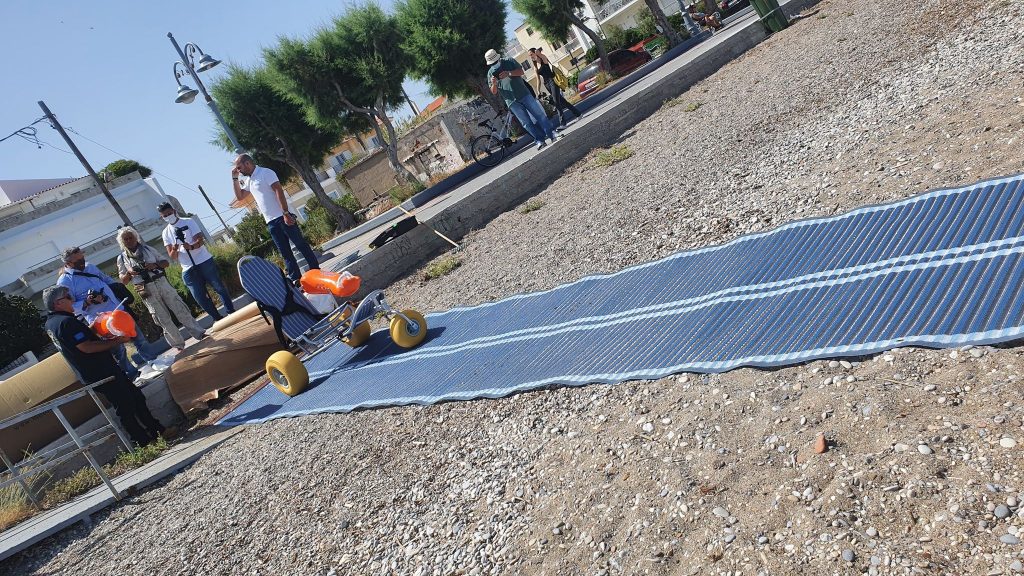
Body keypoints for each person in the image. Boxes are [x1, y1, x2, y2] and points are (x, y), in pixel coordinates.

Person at [42, 285, 167, 447]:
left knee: (134, 398)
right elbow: (86, 347)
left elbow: (76, 341)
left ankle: (156, 432)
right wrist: (117, 341)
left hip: (95, 372)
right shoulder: (66, 322)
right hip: (101, 371)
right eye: (68, 297)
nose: (72, 300)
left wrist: (94, 327)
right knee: (126, 405)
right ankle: (142, 441)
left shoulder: (52, 323)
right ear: (58, 303)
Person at [56, 246, 158, 381]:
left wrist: (115, 289)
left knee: (138, 337)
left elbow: (106, 280)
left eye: (82, 258)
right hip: (101, 321)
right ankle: (132, 375)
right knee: (118, 350)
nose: (82, 262)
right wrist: (87, 302)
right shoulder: (65, 282)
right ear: (68, 263)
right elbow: (69, 306)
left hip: (118, 310)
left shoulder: (90, 267)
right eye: (78, 261)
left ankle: (153, 362)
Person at [231, 154, 320, 284]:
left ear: (247, 163)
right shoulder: (250, 180)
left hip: (283, 216)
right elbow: (240, 197)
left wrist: (285, 213)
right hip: (271, 222)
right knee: (285, 252)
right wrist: (234, 178)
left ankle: (316, 271)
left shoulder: (265, 172)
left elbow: (278, 190)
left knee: (300, 244)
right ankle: (296, 279)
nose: (238, 171)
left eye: (239, 167)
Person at [117, 226, 207, 352]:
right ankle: (178, 345)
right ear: (122, 242)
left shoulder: (148, 249)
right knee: (161, 318)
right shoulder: (122, 258)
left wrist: (154, 265)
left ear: (135, 237)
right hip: (145, 288)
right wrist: (129, 273)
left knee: (179, 308)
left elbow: (166, 263)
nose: (129, 240)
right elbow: (123, 280)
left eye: (130, 237)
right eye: (125, 239)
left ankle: (199, 333)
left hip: (160, 281)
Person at [159, 202, 237, 321]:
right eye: (165, 216)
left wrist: (191, 246)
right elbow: (172, 256)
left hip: (203, 260)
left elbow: (200, 240)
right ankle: (217, 318)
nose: (168, 217)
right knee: (199, 296)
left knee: (218, 287)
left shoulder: (188, 221)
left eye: (169, 213)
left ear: (174, 211)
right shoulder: (165, 232)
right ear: (162, 217)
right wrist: (174, 249)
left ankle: (230, 311)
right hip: (187, 267)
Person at [485, 48, 558, 151]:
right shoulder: (490, 73)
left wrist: (508, 73)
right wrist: (494, 83)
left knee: (539, 115)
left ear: (498, 58)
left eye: (495, 62)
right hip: (511, 101)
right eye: (492, 64)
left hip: (524, 94)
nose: (494, 65)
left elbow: (521, 71)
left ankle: (552, 134)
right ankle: (539, 140)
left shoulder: (509, 61)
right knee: (526, 123)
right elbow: (494, 91)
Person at [529, 47, 582, 131]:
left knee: (556, 102)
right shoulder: (535, 67)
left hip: (553, 81)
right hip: (546, 85)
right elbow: (538, 80)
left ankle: (563, 123)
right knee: (563, 102)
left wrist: (538, 53)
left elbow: (542, 56)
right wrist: (538, 91)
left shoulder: (543, 59)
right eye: (529, 55)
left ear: (535, 52)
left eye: (531, 54)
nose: (531, 56)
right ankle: (578, 114)